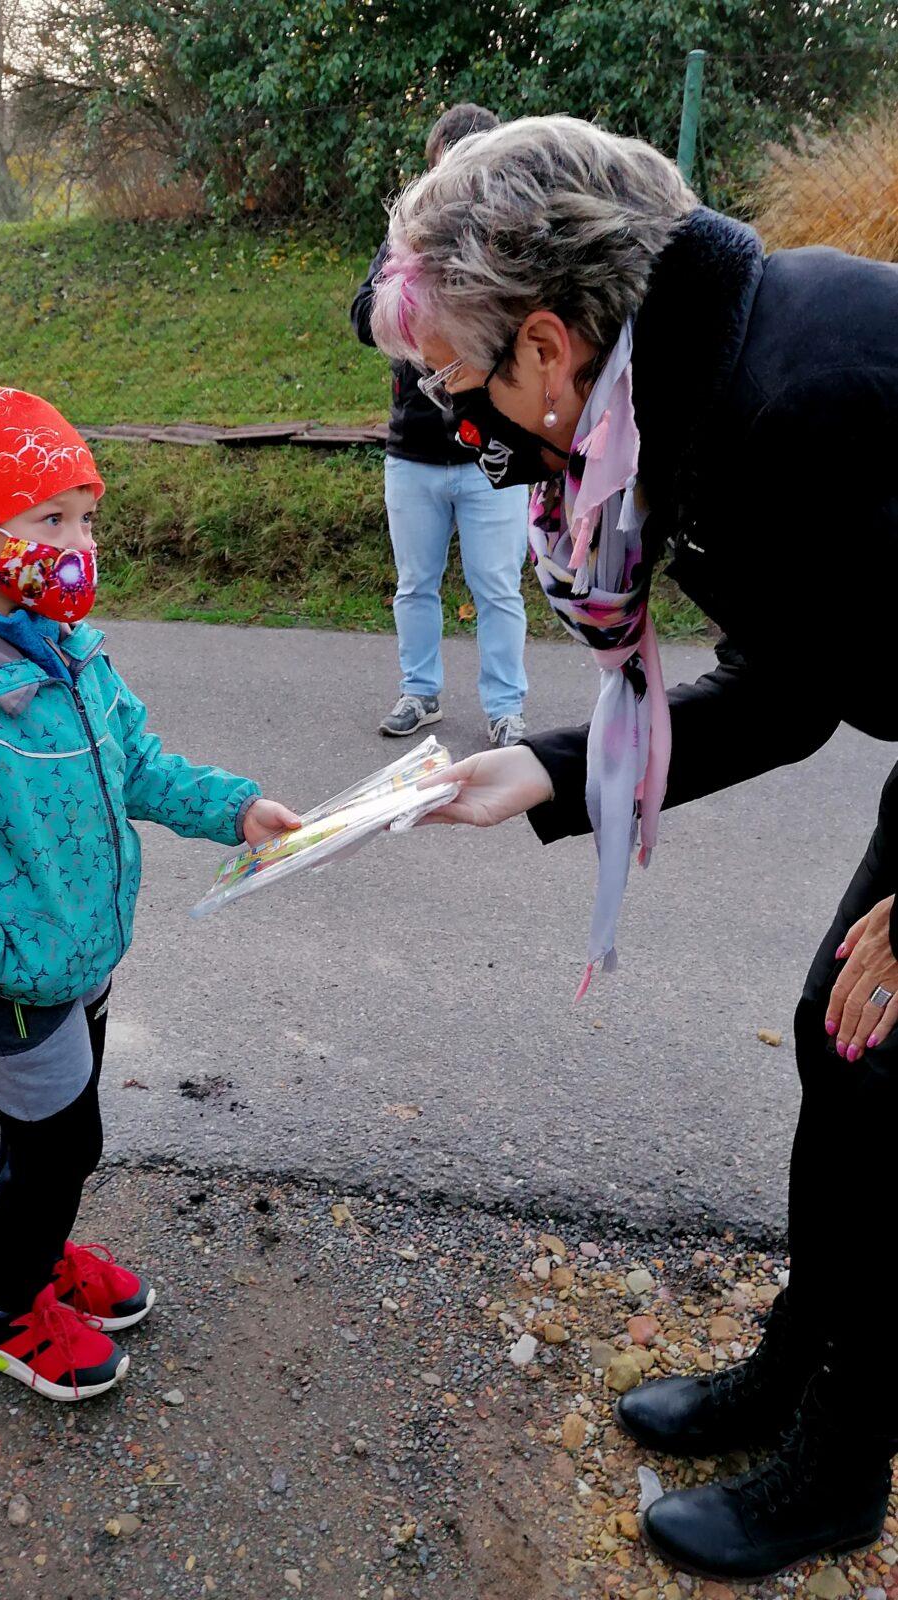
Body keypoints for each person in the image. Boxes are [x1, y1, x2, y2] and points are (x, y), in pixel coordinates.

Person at [370, 115, 898, 1580]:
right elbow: (792, 693)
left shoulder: (808, 391)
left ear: (547, 348)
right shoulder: (696, 401)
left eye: (457, 384)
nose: (458, 424)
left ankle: (843, 1470)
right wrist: (541, 775)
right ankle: (794, 1372)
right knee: (837, 1046)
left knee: (895, 1084)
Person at [0, 379, 300, 1402]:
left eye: (85, 516)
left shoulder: (68, 641)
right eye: (50, 519)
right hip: (9, 977)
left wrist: (235, 807)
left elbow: (134, 760)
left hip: (77, 959)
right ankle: (5, 1315)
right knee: (61, 1145)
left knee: (60, 1129)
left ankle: (42, 1257)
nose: (78, 541)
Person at [350, 102, 532, 748]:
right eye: (442, 168)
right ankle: (419, 693)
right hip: (414, 451)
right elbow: (361, 315)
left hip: (495, 451)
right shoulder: (407, 237)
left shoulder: (516, 236)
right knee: (415, 585)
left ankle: (506, 709)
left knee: (497, 588)